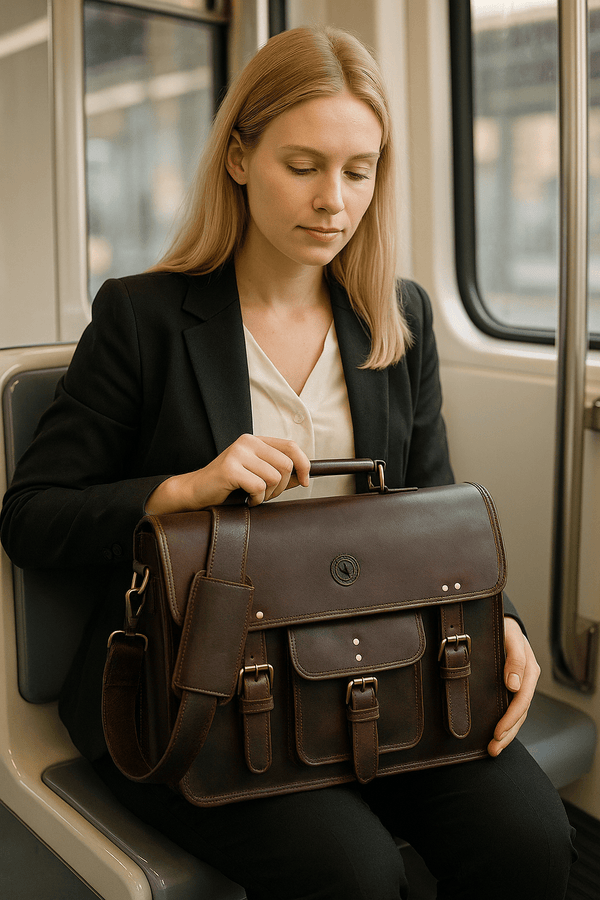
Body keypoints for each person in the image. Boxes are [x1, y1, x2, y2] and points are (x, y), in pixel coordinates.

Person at [1, 25, 575, 900]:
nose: (334, 202)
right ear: (238, 157)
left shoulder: (397, 316)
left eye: (359, 170)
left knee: (532, 841)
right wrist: (183, 491)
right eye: (302, 167)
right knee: (351, 873)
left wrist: (510, 629)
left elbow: (430, 516)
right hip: (198, 680)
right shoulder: (142, 318)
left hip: (376, 659)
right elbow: (32, 516)